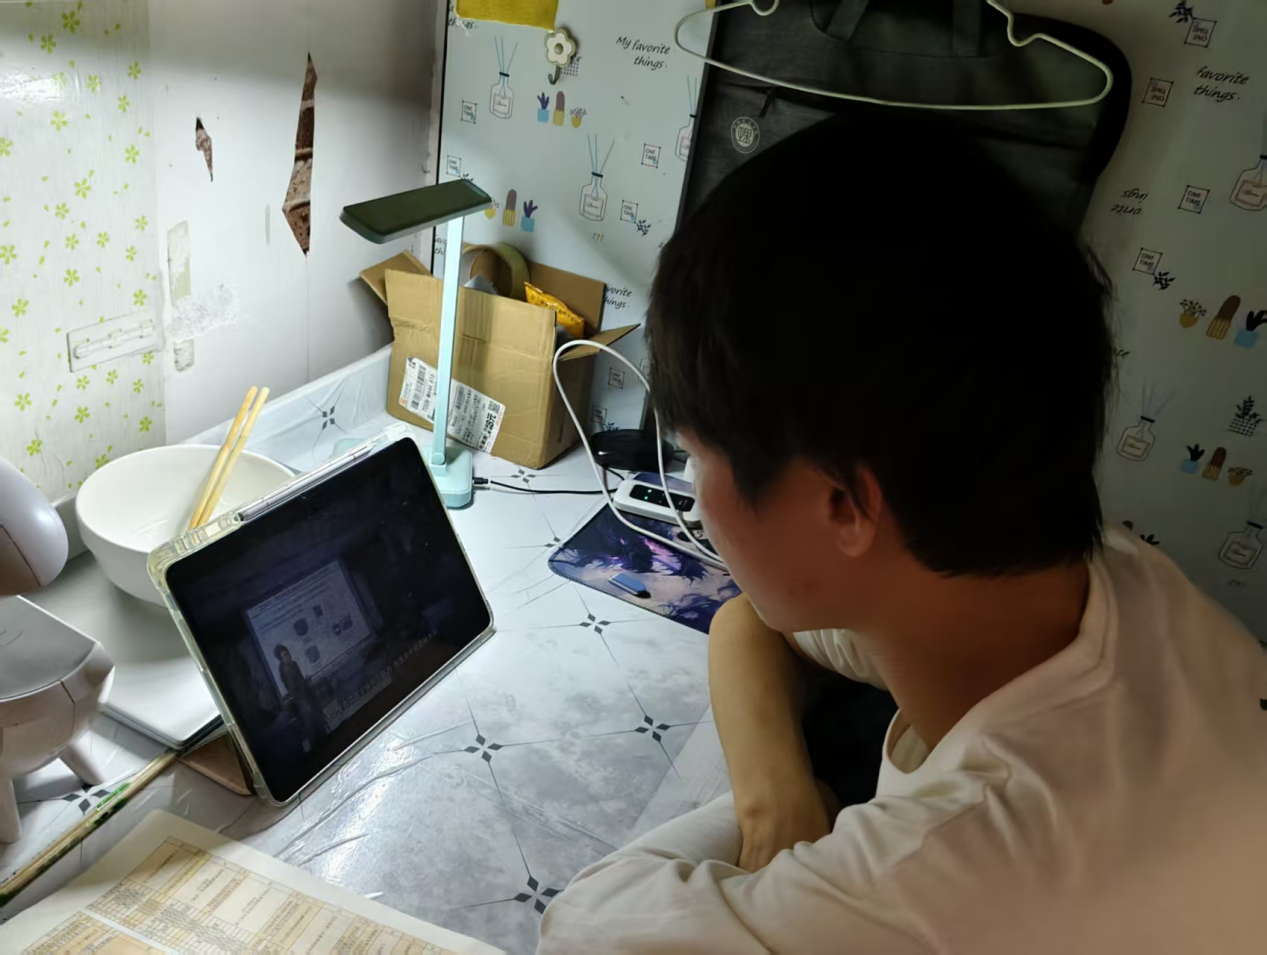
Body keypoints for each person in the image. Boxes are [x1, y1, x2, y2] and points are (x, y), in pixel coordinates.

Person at [537, 115, 1267, 953]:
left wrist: (783, 826)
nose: (695, 503)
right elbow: (753, 626)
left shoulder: (952, 879)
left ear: (844, 505)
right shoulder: (1094, 577)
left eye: (697, 457)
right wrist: (775, 795)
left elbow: (578, 931)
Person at [274, 644, 326, 752]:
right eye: (285, 655)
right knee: (313, 727)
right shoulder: (286, 670)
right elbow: (294, 691)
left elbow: (300, 682)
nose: (288, 656)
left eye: (287, 653)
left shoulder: (293, 664)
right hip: (305, 702)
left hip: (308, 698)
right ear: (281, 659)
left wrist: (306, 682)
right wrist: (304, 704)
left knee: (318, 724)